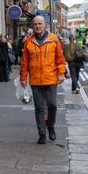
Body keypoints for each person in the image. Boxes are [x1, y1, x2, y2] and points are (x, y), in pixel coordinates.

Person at [20, 15, 67, 144]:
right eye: (35, 24)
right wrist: (23, 77)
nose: (37, 26)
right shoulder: (28, 41)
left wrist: (61, 73)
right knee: (39, 108)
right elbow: (24, 62)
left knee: (52, 105)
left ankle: (50, 126)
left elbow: (60, 59)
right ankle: (42, 133)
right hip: (35, 81)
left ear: (45, 24)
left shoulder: (54, 40)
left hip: (51, 79)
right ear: (32, 26)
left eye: (40, 23)